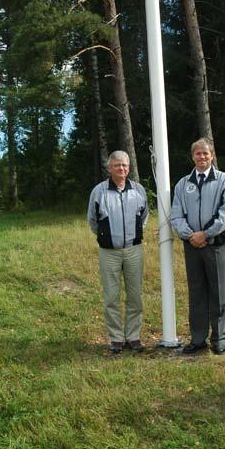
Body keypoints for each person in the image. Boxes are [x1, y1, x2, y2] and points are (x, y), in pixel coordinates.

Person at [171, 138, 225, 355]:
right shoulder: (182, 184)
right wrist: (190, 235)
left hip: (215, 245)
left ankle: (219, 338)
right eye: (198, 154)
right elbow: (176, 215)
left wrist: (205, 234)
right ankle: (198, 339)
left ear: (212, 156)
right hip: (192, 247)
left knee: (217, 292)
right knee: (196, 293)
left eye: (205, 154)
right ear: (193, 157)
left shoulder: (224, 181)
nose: (202, 157)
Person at [87, 151, 148, 354]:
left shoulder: (138, 190)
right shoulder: (99, 191)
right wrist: (107, 236)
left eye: (124, 165)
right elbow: (93, 221)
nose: (121, 169)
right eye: (117, 166)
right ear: (110, 168)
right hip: (109, 253)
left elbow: (144, 216)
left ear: (128, 168)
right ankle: (116, 338)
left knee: (135, 295)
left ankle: (133, 336)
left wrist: (133, 235)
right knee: (112, 297)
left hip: (133, 250)